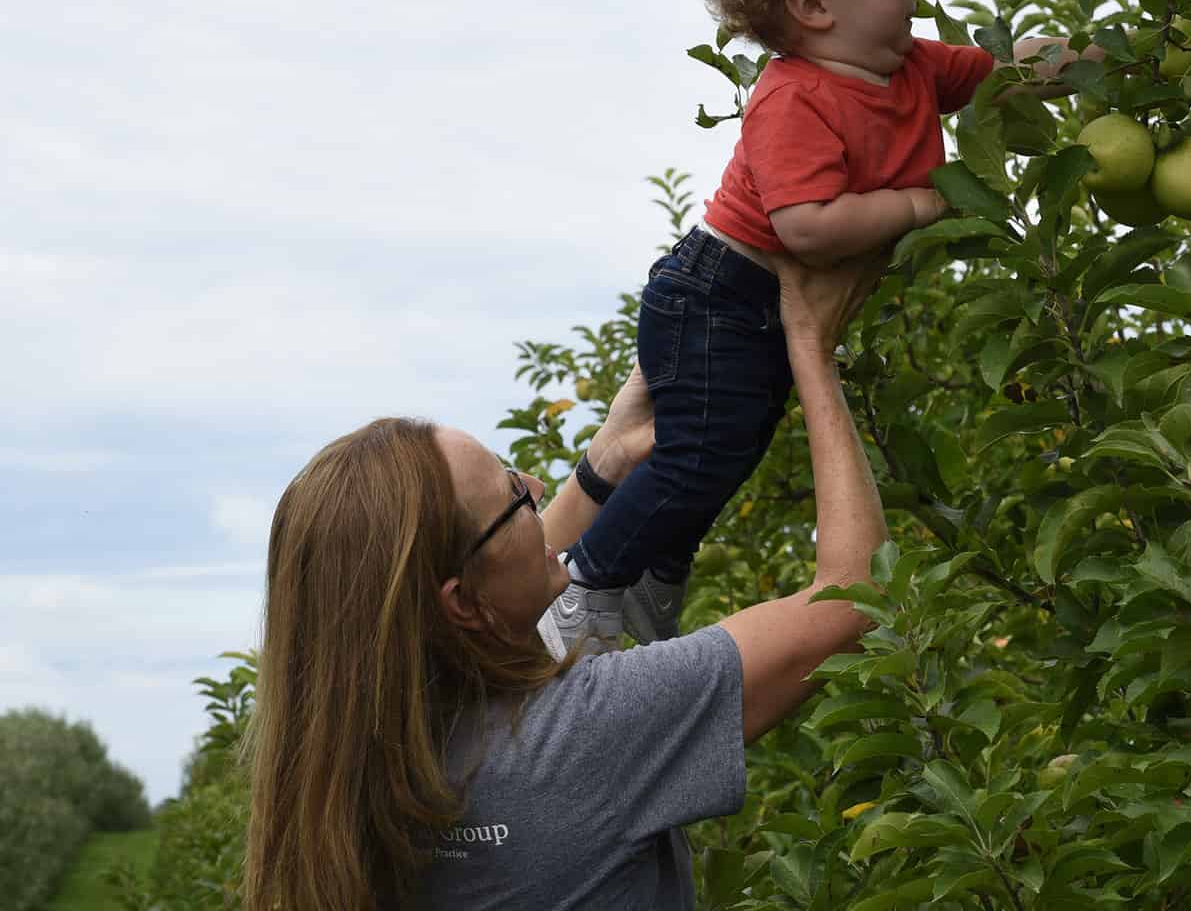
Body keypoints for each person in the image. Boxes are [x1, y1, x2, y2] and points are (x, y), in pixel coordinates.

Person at [243, 252, 891, 911]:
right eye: (512, 494)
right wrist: (812, 349)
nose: (534, 485)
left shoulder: (358, 768)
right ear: (460, 605)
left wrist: (604, 461)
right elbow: (854, 595)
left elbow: (485, 577)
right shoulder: (586, 735)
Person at [554, 0, 1097, 649]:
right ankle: (587, 586)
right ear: (813, 7)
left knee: (726, 449)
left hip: (761, 301)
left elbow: (1003, 73)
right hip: (717, 292)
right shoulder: (792, 97)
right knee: (700, 447)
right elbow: (805, 224)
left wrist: (1077, 58)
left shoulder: (910, 67)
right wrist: (919, 204)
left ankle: (650, 576)